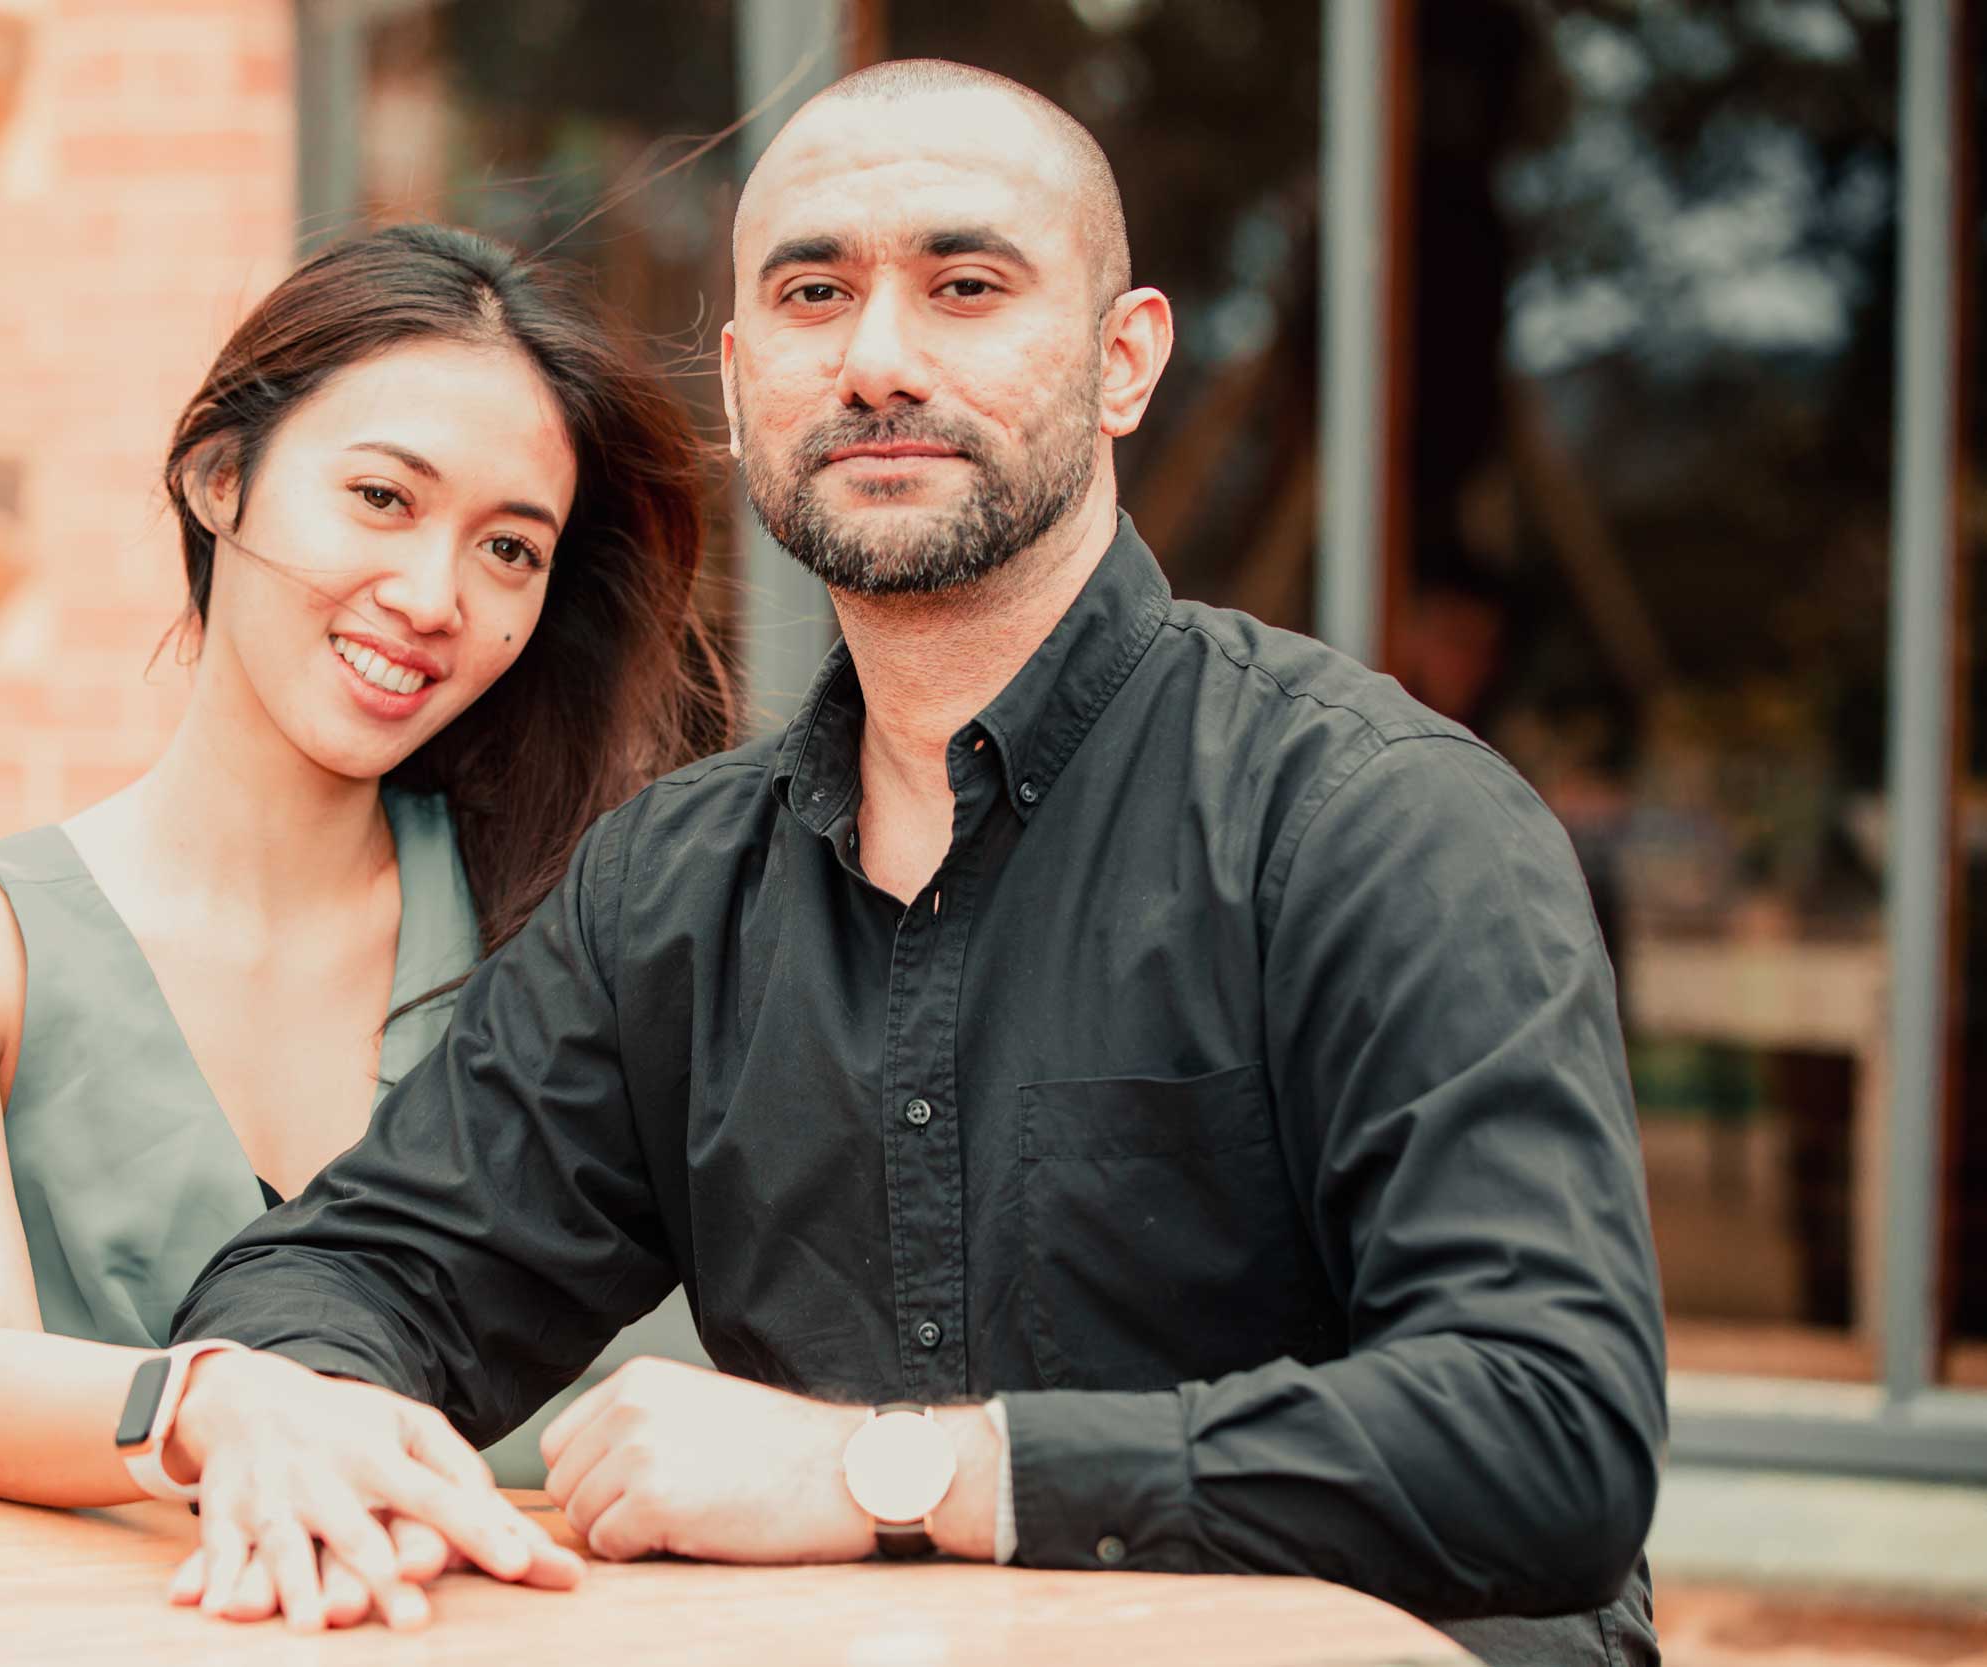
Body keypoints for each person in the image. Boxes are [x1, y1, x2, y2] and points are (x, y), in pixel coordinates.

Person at [164, 62, 1667, 1667]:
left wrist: (891, 1473)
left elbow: (1548, 1430)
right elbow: (363, 1272)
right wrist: (271, 1402)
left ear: (1124, 361)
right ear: (739, 383)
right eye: (814, 294)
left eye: (966, 287)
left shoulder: (1377, 822)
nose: (877, 360)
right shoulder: (671, 894)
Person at [0, 223, 736, 1632]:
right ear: (219, 479)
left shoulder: (583, 923)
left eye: (508, 549)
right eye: (382, 498)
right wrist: (220, 1405)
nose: (433, 598)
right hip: (21, 1621)